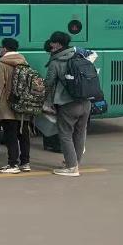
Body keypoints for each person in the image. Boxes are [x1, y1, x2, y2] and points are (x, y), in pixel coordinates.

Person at [44, 31, 89, 177]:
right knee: (80, 134)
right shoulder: (80, 55)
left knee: (65, 135)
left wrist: (46, 101)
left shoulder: (56, 62)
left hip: (68, 104)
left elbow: (48, 84)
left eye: (52, 42)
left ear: (58, 44)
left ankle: (71, 167)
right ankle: (75, 162)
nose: (51, 44)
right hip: (86, 102)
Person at [0, 37, 32, 173]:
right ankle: (25, 163)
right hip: (23, 105)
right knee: (23, 134)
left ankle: (13, 164)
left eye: (1, 47)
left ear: (5, 48)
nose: (0, 50)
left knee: (10, 135)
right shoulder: (24, 62)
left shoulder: (1, 64)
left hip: (7, 106)